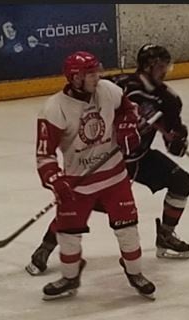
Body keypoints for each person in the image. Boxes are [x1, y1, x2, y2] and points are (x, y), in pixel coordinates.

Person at [26, 43, 189, 275]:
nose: (165, 71)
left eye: (167, 66)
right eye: (161, 66)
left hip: (139, 156)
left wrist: (177, 141)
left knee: (182, 182)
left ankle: (165, 235)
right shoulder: (119, 85)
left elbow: (173, 139)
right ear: (148, 66)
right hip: (106, 157)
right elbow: (91, 107)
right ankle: (46, 245)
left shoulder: (169, 99)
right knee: (77, 200)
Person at [35, 50, 155, 300]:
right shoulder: (54, 109)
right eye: (90, 73)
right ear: (75, 77)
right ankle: (70, 277)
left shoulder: (108, 90)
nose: (96, 77)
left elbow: (127, 109)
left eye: (96, 71)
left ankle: (134, 272)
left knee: (128, 228)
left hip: (114, 177)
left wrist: (126, 125)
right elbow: (44, 155)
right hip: (78, 183)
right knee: (68, 234)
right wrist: (55, 180)